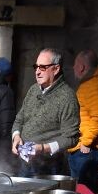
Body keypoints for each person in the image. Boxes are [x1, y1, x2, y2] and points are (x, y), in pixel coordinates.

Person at [11, 47, 79, 175]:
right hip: (25, 163)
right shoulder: (33, 90)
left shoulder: (67, 97)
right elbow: (19, 119)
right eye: (36, 67)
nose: (37, 72)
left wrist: (43, 148)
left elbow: (72, 138)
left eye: (42, 67)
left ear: (56, 69)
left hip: (48, 167)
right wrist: (16, 136)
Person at [67, 50, 98, 194]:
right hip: (82, 149)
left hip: (87, 151)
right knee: (80, 192)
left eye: (75, 65)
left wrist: (86, 141)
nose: (73, 68)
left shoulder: (95, 85)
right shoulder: (90, 84)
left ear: (81, 67)